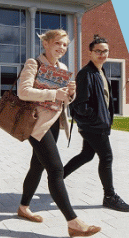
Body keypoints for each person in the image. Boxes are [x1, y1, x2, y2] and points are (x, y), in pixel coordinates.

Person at [16, 29, 100, 237]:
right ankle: (73, 223)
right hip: (36, 124)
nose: (62, 48)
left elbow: (63, 100)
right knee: (56, 170)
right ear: (46, 43)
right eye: (57, 43)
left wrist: (70, 94)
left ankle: (23, 208)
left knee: (37, 165)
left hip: (53, 123)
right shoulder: (33, 64)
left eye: (65, 45)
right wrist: (55, 93)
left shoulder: (62, 68)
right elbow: (23, 92)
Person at [65, 36, 129, 212]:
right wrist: (97, 119)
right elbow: (80, 104)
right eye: (98, 51)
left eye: (105, 51)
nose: (102, 54)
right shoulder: (86, 74)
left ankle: (57, 177)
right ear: (90, 52)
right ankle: (109, 197)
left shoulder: (100, 71)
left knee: (86, 155)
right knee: (107, 157)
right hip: (94, 126)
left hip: (96, 125)